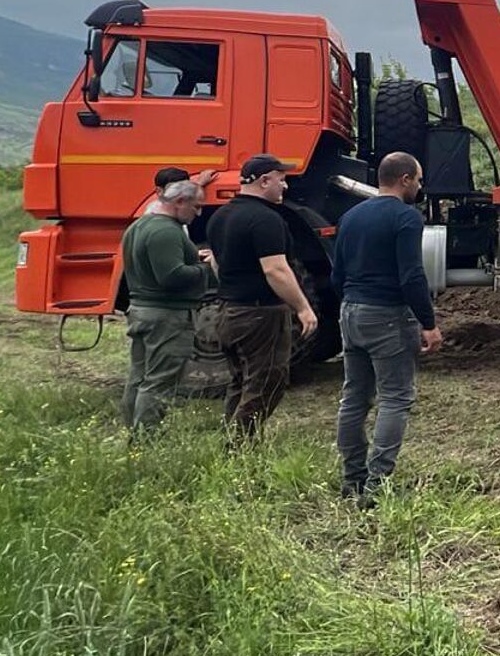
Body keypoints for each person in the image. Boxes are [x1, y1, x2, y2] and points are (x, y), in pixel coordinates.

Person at [331, 151, 442, 501]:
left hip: (351, 311)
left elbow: (338, 273)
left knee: (354, 398)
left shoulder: (351, 216)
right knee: (395, 397)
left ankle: (353, 479)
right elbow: (411, 275)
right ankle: (378, 485)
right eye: (419, 180)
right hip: (387, 315)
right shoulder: (406, 218)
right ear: (405, 179)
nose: (420, 187)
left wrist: (351, 302)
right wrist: (428, 323)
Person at [205, 154, 318, 440]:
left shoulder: (221, 215)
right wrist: (303, 308)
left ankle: (230, 438)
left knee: (242, 380)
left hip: (228, 311)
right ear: (264, 180)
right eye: (282, 180)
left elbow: (217, 263)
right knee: (268, 380)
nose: (285, 187)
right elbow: (276, 270)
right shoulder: (265, 219)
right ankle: (240, 447)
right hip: (260, 314)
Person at [118, 180, 213, 431]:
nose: (199, 213)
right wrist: (204, 268)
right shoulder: (166, 231)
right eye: (197, 206)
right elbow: (172, 276)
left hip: (141, 310)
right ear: (180, 202)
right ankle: (147, 440)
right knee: (160, 381)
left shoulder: (138, 226)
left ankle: (133, 432)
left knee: (139, 377)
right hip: (166, 316)